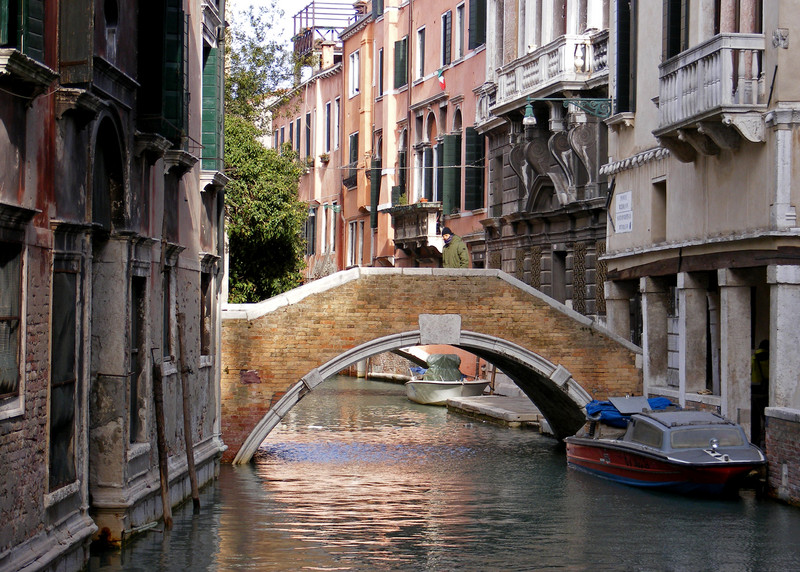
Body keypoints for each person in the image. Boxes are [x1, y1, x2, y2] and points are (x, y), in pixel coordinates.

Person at [751, 339, 769, 447]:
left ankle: (755, 440)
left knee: (754, 418)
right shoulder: (769, 358)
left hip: (753, 391)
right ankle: (766, 439)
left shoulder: (753, 358)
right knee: (766, 418)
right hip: (765, 392)